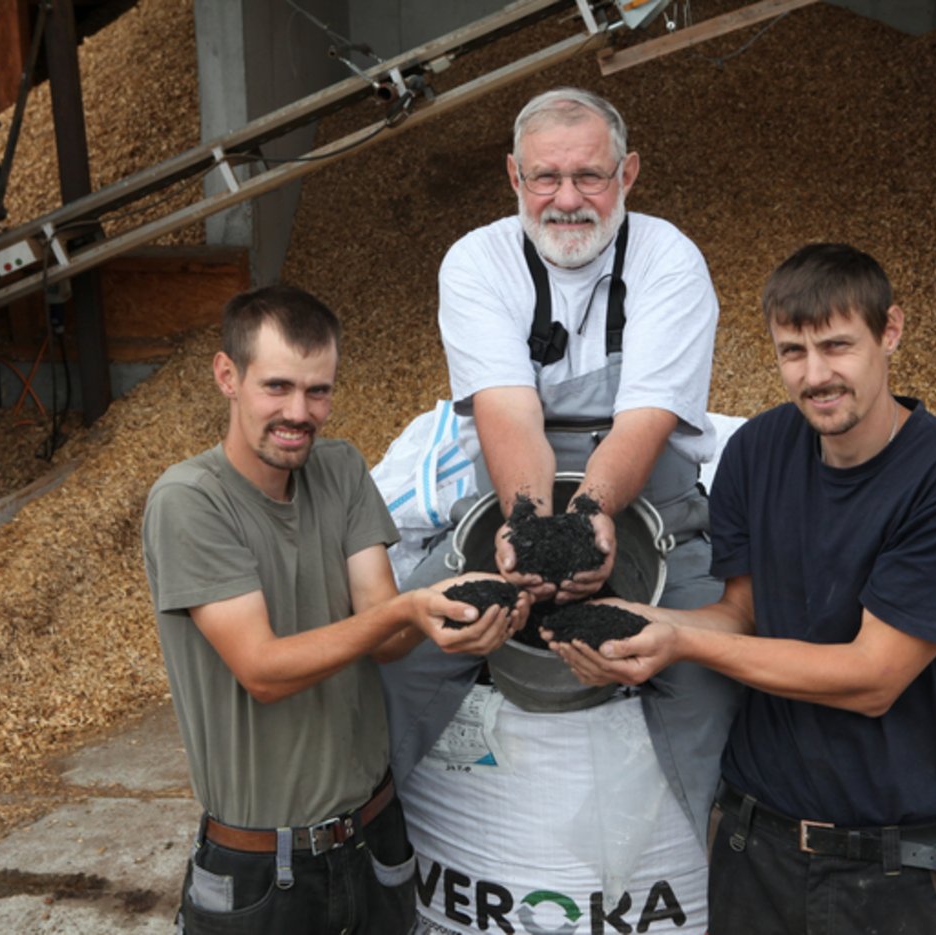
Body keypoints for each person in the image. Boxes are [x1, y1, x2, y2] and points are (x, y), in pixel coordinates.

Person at [551, 243, 936, 934]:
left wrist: (680, 642)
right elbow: (742, 615)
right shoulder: (758, 450)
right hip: (751, 844)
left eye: (837, 346)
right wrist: (638, 620)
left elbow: (872, 677)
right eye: (793, 350)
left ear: (891, 332)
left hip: (887, 863)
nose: (816, 374)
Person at [379, 87, 739, 933]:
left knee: (706, 676)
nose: (568, 198)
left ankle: (723, 872)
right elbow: (507, 415)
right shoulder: (476, 261)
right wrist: (532, 532)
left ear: (629, 174)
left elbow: (645, 421)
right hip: (513, 488)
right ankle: (376, 861)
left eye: (590, 176)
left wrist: (599, 515)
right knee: (401, 656)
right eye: (546, 177)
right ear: (513, 175)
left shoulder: (670, 260)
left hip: (649, 495)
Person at [142, 284, 526, 935]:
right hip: (264, 870)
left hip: (373, 839)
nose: (300, 411)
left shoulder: (341, 469)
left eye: (318, 390)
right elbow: (263, 669)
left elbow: (382, 633)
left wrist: (445, 618)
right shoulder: (189, 502)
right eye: (278, 387)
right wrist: (406, 609)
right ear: (226, 376)